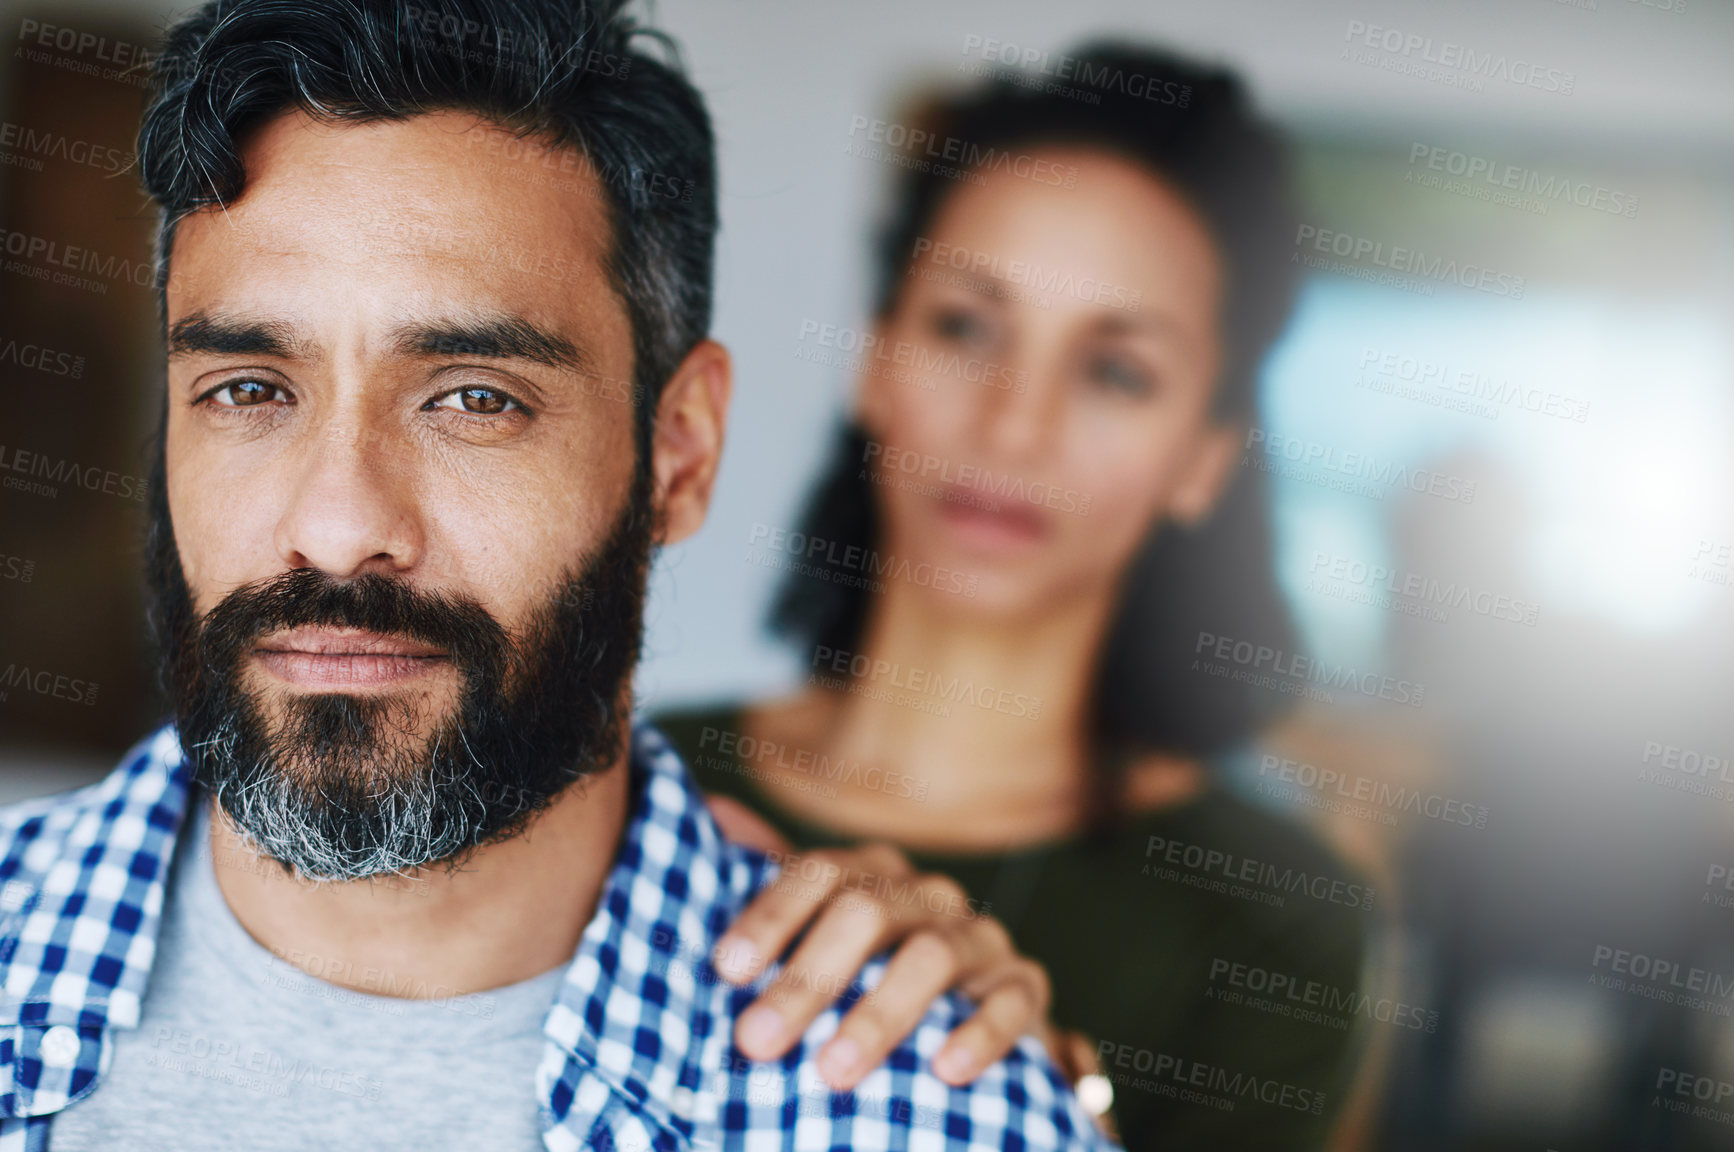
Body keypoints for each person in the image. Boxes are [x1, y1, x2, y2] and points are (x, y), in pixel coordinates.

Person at [0, 2, 1118, 1148]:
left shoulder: (938, 1118)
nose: (336, 529)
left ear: (678, 452)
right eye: (249, 389)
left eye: (475, 398)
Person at [657, 44, 1370, 1148]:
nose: (1014, 424)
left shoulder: (1274, 919)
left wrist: (1054, 1102)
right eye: (965, 327)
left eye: (1115, 371)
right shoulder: (631, 784)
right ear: (877, 357)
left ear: (1204, 458)